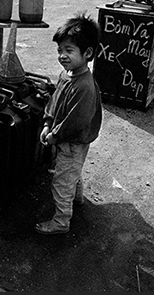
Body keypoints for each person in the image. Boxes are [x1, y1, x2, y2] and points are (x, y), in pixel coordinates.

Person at [35, 12, 103, 235]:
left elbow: (75, 121)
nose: (62, 56)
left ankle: (61, 221)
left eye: (69, 51)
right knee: (72, 169)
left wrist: (55, 134)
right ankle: (78, 198)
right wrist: (47, 123)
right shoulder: (67, 74)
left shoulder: (84, 86)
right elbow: (55, 102)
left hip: (72, 140)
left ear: (88, 53)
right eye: (60, 51)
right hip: (68, 140)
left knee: (62, 180)